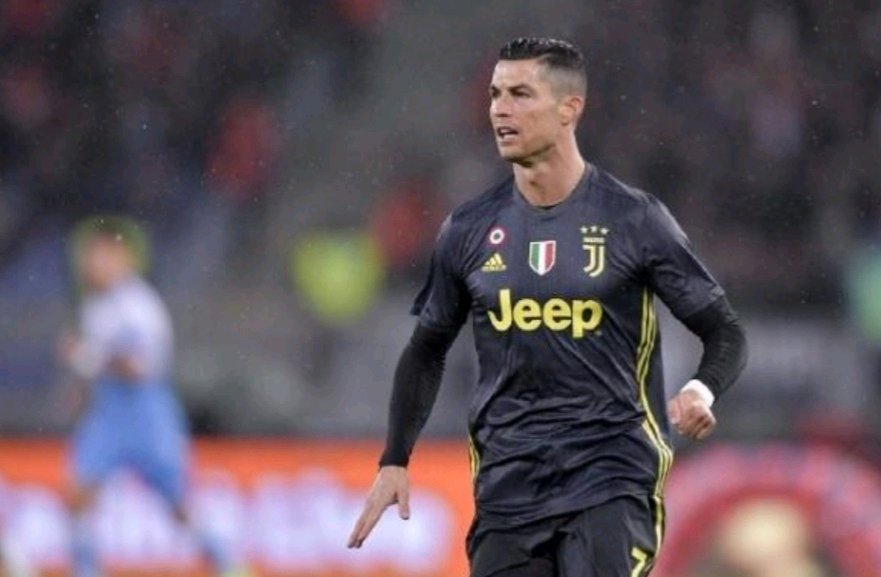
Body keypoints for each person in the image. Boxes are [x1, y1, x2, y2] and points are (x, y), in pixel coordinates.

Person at [348, 38, 748, 577]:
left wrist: (702, 388)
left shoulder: (633, 220)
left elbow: (723, 330)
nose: (500, 109)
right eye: (495, 94)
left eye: (520, 94)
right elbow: (427, 348)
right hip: (507, 491)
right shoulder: (468, 229)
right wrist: (395, 458)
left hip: (610, 481)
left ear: (569, 109)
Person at [59, 218, 249, 577]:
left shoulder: (137, 305)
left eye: (103, 255)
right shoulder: (95, 305)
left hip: (146, 412)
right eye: (91, 255)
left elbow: (138, 367)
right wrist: (81, 391)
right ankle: (85, 570)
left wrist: (86, 357)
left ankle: (226, 562)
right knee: (80, 493)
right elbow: (98, 366)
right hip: (108, 412)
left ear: (125, 259)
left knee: (177, 503)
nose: (93, 264)